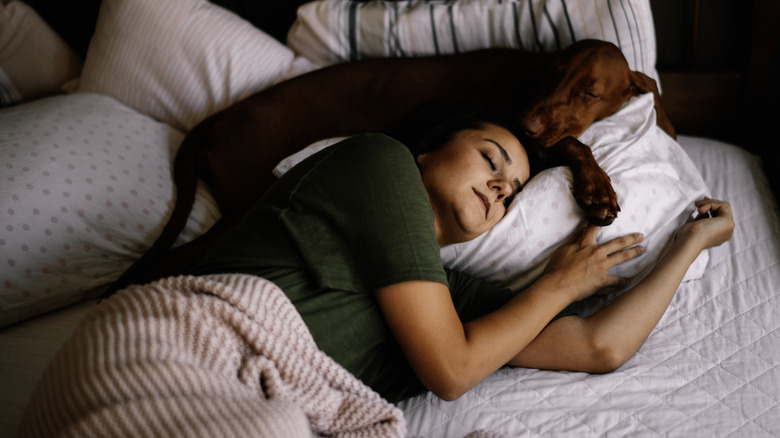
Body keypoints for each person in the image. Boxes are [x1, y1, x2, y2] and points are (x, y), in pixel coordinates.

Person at [193, 99, 735, 404]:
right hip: (196, 347)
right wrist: (560, 285)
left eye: (514, 192)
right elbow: (451, 370)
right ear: (427, 152)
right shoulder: (379, 162)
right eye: (490, 159)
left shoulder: (451, 302)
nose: (502, 187)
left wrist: (689, 243)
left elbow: (600, 347)